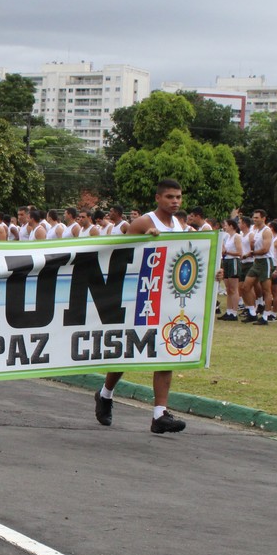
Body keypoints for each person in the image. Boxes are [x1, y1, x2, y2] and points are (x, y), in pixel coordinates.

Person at [94, 179, 187, 434]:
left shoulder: (180, 225)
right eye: (169, 197)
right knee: (127, 350)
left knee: (168, 350)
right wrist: (143, 242)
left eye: (178, 197)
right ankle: (105, 394)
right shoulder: (144, 223)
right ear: (158, 198)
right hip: (139, 295)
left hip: (166, 296)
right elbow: (119, 256)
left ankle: (160, 415)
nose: (175, 201)